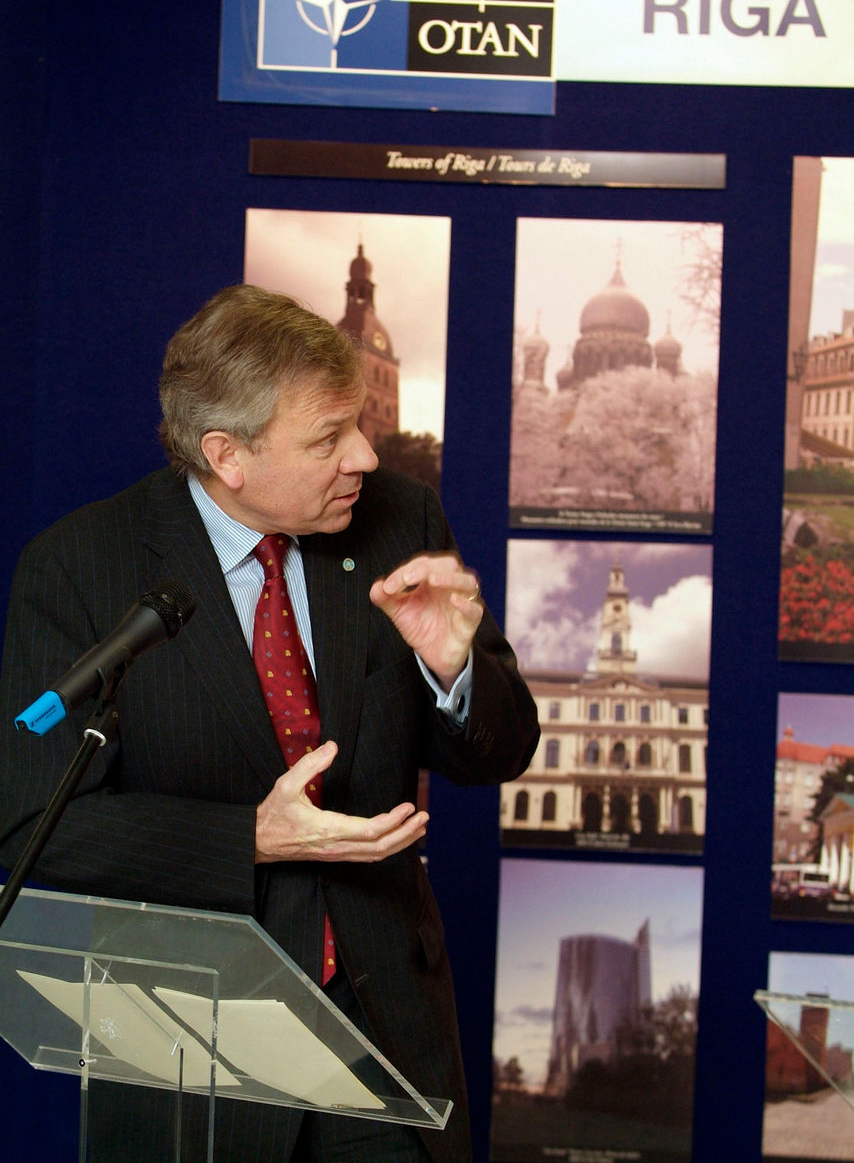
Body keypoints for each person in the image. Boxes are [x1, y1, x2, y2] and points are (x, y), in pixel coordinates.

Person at [0, 284, 540, 1162]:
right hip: (184, 1047)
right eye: (328, 439)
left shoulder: (403, 519)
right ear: (228, 455)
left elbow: (502, 750)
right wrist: (249, 837)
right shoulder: (80, 567)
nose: (364, 455)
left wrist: (454, 667)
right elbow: (32, 822)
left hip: (386, 1039)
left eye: (358, 424)